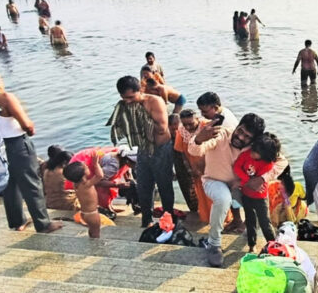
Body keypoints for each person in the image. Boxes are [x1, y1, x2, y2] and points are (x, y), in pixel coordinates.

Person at [0, 70, 63, 233]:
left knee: (8, 184)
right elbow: (27, 125)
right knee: (32, 184)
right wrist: (30, 130)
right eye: (1, 80)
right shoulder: (5, 98)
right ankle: (43, 224)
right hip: (17, 144)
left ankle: (17, 222)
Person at [187, 113, 267, 267]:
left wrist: (262, 179)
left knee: (262, 196)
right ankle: (214, 244)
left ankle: (251, 233)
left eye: (247, 137)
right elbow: (195, 151)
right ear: (237, 126)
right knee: (224, 199)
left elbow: (280, 161)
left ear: (253, 140)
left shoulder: (255, 147)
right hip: (214, 181)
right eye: (241, 131)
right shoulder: (221, 135)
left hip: (240, 185)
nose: (241, 138)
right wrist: (199, 139)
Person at [107, 76, 173, 227]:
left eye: (131, 97)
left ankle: (169, 220)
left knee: (164, 187)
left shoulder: (155, 102)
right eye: (124, 98)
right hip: (143, 149)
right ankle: (146, 220)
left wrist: (140, 116)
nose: (128, 101)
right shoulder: (126, 105)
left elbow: (162, 130)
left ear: (141, 90)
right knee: (143, 185)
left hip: (161, 149)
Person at [233, 132, 281, 252]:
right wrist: (247, 180)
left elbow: (257, 182)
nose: (252, 153)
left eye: (256, 152)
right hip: (246, 195)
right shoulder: (246, 155)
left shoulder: (268, 164)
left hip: (260, 197)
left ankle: (272, 245)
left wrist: (243, 182)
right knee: (250, 221)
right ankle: (251, 245)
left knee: (265, 222)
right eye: (253, 149)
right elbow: (237, 167)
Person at [63, 149, 105, 238]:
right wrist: (96, 164)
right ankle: (96, 247)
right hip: (92, 214)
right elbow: (100, 176)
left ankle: (92, 239)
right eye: (86, 167)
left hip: (84, 213)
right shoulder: (86, 185)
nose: (88, 166)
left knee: (92, 230)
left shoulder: (76, 184)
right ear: (83, 175)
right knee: (96, 232)